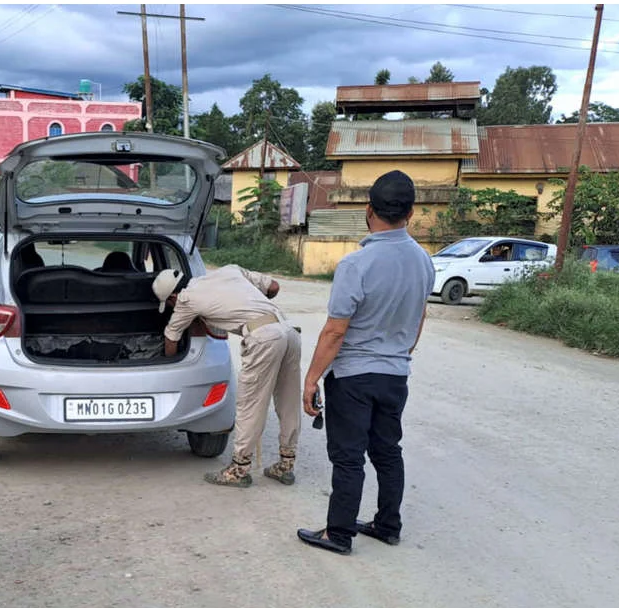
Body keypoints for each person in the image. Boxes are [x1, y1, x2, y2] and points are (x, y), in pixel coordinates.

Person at [297, 170, 434, 555]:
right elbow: (419, 316)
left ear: (369, 210)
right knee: (388, 450)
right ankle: (388, 524)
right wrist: (401, 354)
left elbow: (335, 332)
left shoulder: (356, 264)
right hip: (395, 375)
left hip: (354, 377)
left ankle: (337, 533)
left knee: (348, 455)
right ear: (411, 212)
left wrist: (312, 378)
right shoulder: (424, 261)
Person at [153, 264, 302, 487]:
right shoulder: (230, 271)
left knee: (250, 404)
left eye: (171, 303)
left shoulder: (186, 299)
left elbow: (171, 337)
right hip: (289, 331)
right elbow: (273, 287)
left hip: (263, 338)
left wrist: (168, 365)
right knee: (289, 402)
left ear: (173, 296)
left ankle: (238, 470)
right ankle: (286, 466)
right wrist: (248, 302)